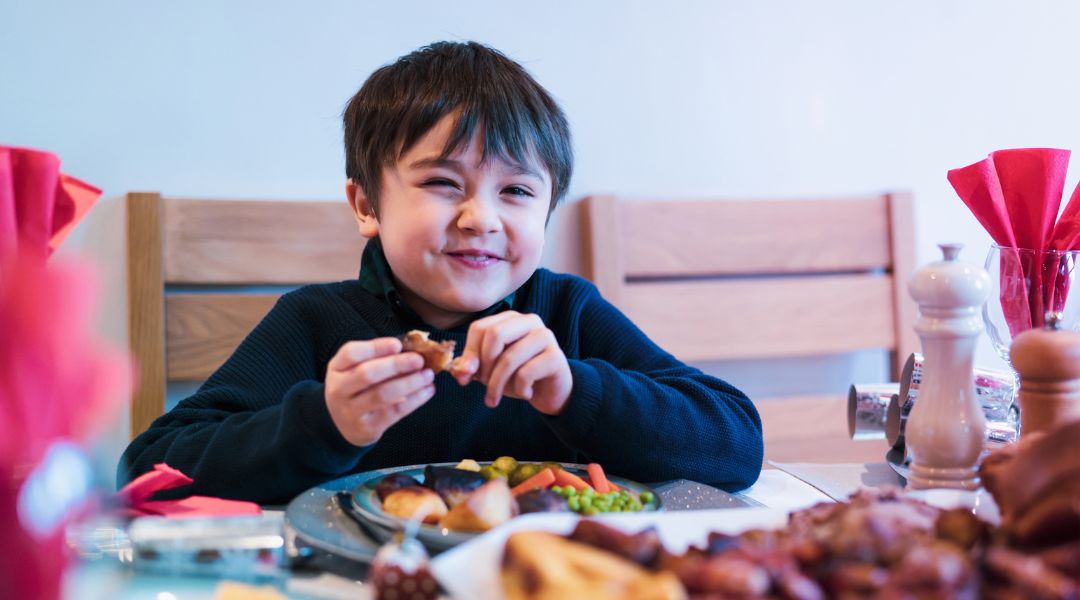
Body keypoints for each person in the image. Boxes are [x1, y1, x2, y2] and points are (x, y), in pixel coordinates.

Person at [118, 41, 763, 504]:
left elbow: (737, 444)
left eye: (516, 192)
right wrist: (325, 423)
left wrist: (575, 390)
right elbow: (148, 470)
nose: (481, 217)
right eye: (442, 183)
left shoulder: (566, 315)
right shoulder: (317, 322)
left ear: (548, 212)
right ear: (367, 204)